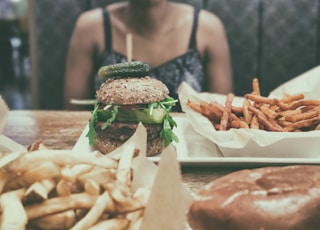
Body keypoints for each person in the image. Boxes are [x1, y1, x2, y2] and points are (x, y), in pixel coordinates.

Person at [64, 0, 233, 111]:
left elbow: (221, 111)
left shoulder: (208, 28)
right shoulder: (90, 27)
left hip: (190, 149)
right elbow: (72, 112)